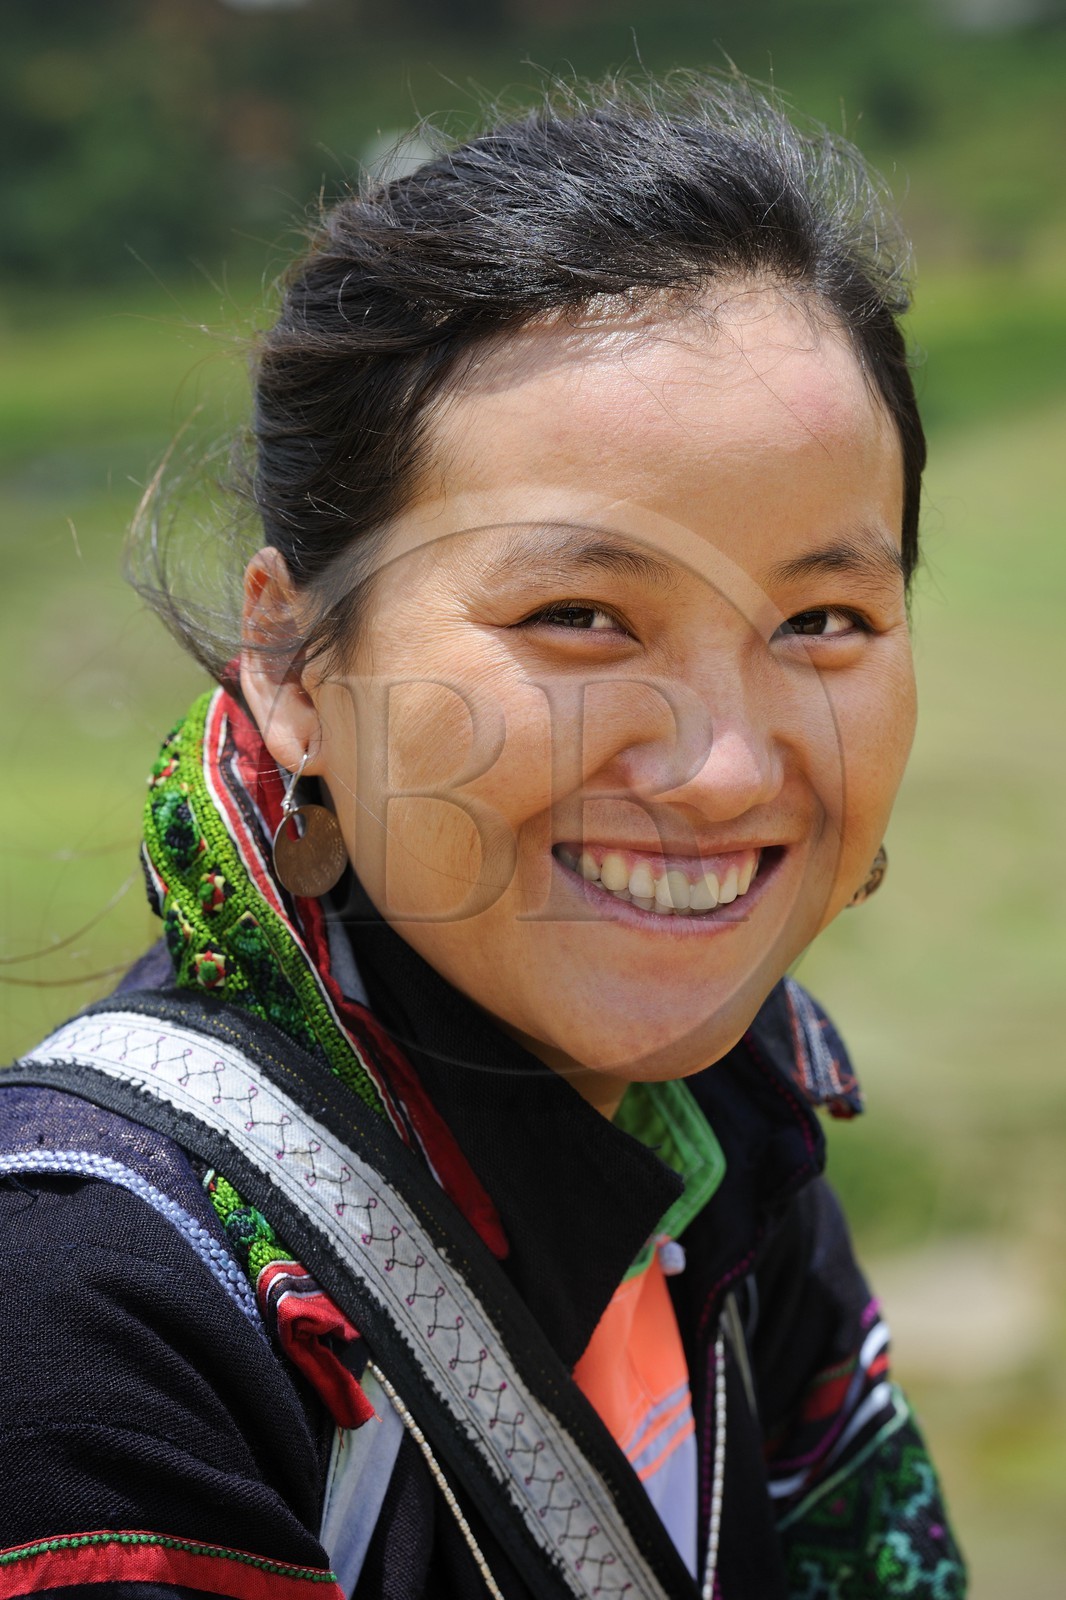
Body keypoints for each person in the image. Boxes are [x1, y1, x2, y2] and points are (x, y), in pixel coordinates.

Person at [0, 76, 966, 1600]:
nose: (722, 771)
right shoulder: (88, 1315)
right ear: (295, 663)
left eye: (821, 619)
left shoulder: (724, 1136)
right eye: (577, 617)